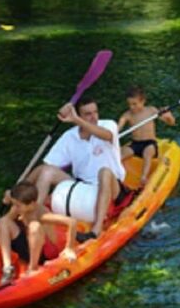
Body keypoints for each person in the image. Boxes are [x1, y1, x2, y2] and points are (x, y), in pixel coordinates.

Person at [23, 97, 127, 243]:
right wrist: (20, 189)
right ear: (79, 114)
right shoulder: (69, 136)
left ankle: (96, 230)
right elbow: (46, 165)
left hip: (112, 186)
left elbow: (107, 136)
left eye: (95, 112)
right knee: (46, 171)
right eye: (88, 114)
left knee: (104, 171)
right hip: (81, 186)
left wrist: (76, 119)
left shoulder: (109, 125)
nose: (94, 117)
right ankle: (33, 219)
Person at [0, 181, 76, 284]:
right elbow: (2, 224)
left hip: (44, 254)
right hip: (28, 247)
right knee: (3, 221)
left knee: (35, 226)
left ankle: (33, 268)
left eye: (18, 205)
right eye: (14, 204)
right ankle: (8, 269)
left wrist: (69, 248)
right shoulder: (20, 208)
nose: (15, 207)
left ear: (32, 204)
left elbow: (72, 222)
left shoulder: (42, 214)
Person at [118, 86, 175, 188]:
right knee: (120, 154)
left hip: (149, 143)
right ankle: (116, 176)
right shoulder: (127, 115)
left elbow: (171, 123)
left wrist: (168, 115)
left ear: (143, 101)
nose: (132, 107)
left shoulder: (151, 111)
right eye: (129, 104)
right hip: (135, 144)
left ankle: (143, 178)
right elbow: (118, 127)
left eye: (135, 104)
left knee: (147, 153)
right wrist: (113, 133)